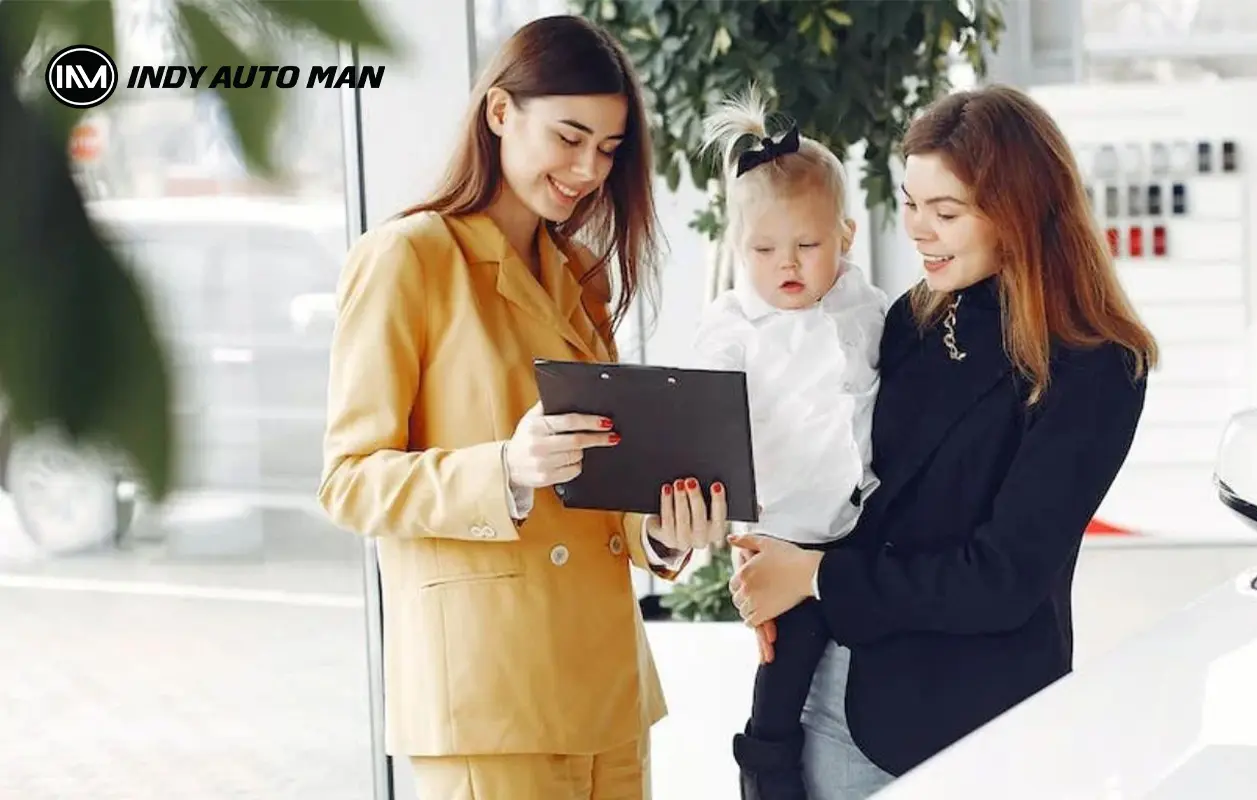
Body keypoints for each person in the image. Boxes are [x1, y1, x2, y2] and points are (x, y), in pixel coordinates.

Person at [317, 15, 724, 800]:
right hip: (489, 696)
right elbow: (349, 481)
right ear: (500, 112)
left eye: (607, 148)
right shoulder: (408, 258)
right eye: (569, 137)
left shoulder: (580, 274)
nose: (588, 169)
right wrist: (505, 467)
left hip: (607, 690)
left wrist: (660, 532)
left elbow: (600, 479)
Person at [728, 84, 1158, 798]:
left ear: (1018, 211)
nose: (919, 231)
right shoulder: (916, 318)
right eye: (911, 205)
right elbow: (846, 484)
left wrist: (813, 576)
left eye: (946, 213)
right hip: (825, 686)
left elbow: (1001, 580)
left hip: (959, 723)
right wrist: (770, 556)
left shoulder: (1096, 366)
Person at [689, 90, 889, 800]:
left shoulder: (869, 308)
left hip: (863, 532)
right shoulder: (735, 324)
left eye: (808, 246)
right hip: (783, 536)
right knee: (782, 678)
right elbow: (703, 410)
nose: (787, 265)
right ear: (738, 248)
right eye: (764, 250)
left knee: (863, 670)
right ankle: (765, 778)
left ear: (846, 236)